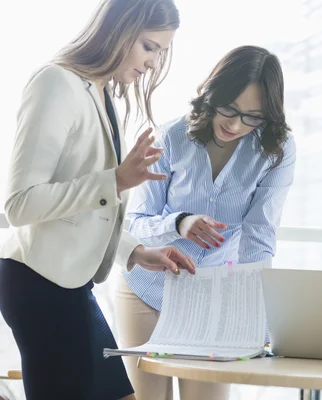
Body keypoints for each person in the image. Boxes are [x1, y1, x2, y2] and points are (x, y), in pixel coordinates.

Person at [0, 1, 196, 399]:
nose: (154, 63)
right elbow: (20, 204)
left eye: (160, 51)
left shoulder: (106, 98)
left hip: (69, 284)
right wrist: (115, 180)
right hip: (38, 283)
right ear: (119, 30)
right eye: (148, 46)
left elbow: (86, 212)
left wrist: (136, 251)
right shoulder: (55, 83)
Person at [114, 45, 296, 400]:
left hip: (212, 294)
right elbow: (135, 221)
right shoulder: (170, 137)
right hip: (147, 288)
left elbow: (259, 235)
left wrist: (251, 312)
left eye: (252, 117)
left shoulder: (278, 149)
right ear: (211, 94)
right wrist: (179, 222)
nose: (234, 124)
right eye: (228, 108)